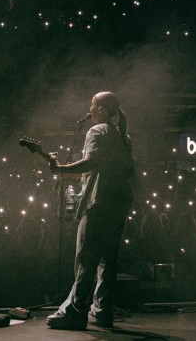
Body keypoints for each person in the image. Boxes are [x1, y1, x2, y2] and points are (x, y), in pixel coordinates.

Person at [46, 91, 134, 330]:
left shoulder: (96, 131)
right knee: (108, 260)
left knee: (86, 258)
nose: (89, 111)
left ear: (102, 110)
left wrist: (61, 168)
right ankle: (103, 311)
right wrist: (71, 175)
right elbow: (117, 172)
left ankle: (75, 312)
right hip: (118, 204)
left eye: (92, 106)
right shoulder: (123, 137)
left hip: (99, 205)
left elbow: (91, 161)